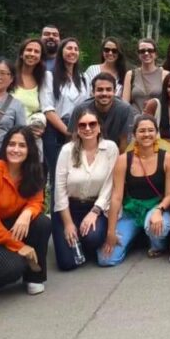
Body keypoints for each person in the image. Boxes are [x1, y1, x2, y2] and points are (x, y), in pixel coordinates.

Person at [0, 126, 52, 293]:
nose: (16, 149)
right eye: (12, 144)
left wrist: (27, 213)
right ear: (5, 146)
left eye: (22, 145)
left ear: (29, 149)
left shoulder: (34, 170)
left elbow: (37, 201)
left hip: (17, 224)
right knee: (12, 268)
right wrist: (19, 246)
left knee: (43, 223)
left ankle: (34, 277)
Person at [99, 115, 170, 264]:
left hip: (156, 207)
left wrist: (158, 210)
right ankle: (135, 237)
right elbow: (116, 197)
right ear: (134, 135)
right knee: (106, 259)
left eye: (150, 130)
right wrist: (111, 231)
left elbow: (169, 195)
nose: (146, 134)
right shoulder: (123, 160)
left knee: (158, 229)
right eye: (142, 131)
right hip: (131, 211)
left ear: (157, 133)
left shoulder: (167, 158)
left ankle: (157, 245)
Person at [52, 110, 117, 271]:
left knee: (92, 238)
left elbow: (110, 184)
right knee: (67, 263)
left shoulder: (110, 148)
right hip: (69, 209)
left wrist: (95, 211)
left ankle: (85, 241)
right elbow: (59, 189)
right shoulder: (67, 150)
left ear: (99, 127)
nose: (88, 128)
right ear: (77, 129)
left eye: (92, 124)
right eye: (82, 125)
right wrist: (68, 223)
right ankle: (75, 238)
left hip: (96, 207)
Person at [40, 37, 87, 186]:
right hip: (55, 131)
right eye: (69, 48)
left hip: (79, 130)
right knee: (57, 177)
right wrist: (68, 132)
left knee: (75, 175)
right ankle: (55, 203)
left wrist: (78, 132)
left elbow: (87, 106)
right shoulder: (49, 76)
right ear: (61, 51)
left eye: (76, 49)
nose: (73, 52)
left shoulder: (83, 78)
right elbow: (48, 109)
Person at [70, 73, 134, 150]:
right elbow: (73, 139)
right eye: (100, 90)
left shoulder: (125, 110)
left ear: (115, 91)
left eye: (108, 89)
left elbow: (125, 143)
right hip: (85, 152)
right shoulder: (80, 109)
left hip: (115, 153)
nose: (104, 93)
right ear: (93, 92)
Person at [123, 38, 166, 118]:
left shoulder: (164, 74)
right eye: (142, 51)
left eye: (150, 50)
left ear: (156, 54)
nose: (146, 53)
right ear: (138, 54)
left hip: (156, 121)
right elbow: (125, 104)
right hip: (134, 120)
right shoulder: (130, 75)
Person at [12, 38, 47, 136]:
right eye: (29, 50)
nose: (32, 54)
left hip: (30, 136)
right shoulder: (10, 75)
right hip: (8, 132)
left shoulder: (43, 80)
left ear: (40, 57)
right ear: (21, 54)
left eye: (36, 52)